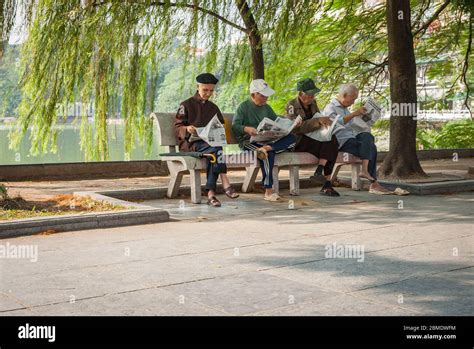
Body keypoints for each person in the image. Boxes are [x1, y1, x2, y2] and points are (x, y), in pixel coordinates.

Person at [175, 73, 239, 207]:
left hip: (210, 145)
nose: (208, 93)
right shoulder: (185, 105)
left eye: (211, 91)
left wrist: (217, 130)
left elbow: (220, 126)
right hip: (191, 144)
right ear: (197, 87)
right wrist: (187, 128)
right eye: (205, 90)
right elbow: (177, 127)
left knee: (214, 154)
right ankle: (225, 183)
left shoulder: (213, 108)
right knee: (216, 150)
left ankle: (211, 195)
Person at [232, 79, 298, 202]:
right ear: (253, 94)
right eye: (262, 95)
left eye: (266, 95)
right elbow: (235, 126)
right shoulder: (243, 107)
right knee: (266, 155)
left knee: (292, 138)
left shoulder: (267, 108)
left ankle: (268, 148)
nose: (265, 98)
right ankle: (268, 191)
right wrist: (246, 129)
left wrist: (290, 125)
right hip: (249, 142)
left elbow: (276, 122)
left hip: (266, 141)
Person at [322, 84, 391, 194]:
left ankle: (366, 173)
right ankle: (373, 182)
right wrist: (355, 113)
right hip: (341, 141)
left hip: (352, 137)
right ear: (344, 95)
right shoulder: (330, 107)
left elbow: (352, 126)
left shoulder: (345, 109)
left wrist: (363, 121)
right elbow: (334, 123)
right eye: (353, 98)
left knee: (367, 136)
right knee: (371, 148)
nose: (353, 102)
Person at [285, 78, 341, 196]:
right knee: (330, 145)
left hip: (314, 137)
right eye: (309, 95)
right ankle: (326, 183)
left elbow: (318, 117)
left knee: (332, 140)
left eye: (313, 95)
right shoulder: (291, 105)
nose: (312, 98)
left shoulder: (313, 103)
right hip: (298, 140)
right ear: (301, 94)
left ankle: (321, 172)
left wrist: (325, 124)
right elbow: (293, 128)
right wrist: (318, 121)